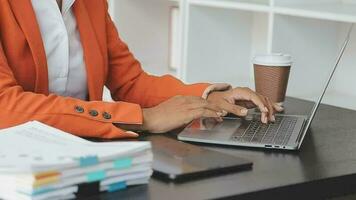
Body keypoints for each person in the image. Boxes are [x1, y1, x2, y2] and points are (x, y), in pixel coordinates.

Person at [0, 0, 283, 139]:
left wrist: (206, 98)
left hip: (82, 153)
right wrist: (142, 118)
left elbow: (130, 81)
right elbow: (5, 106)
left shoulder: (90, 3)